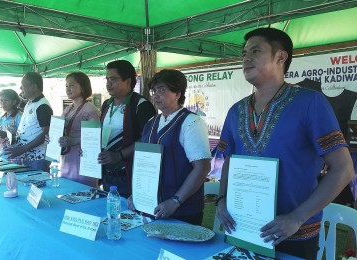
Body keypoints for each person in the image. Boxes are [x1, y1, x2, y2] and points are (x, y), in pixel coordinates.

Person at [215, 27, 355, 259]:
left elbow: (344, 169)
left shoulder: (310, 103)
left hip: (294, 233)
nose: (246, 58)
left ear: (281, 57)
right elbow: (230, 160)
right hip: (244, 226)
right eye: (244, 53)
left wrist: (297, 217)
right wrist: (221, 200)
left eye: (255, 51)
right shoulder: (236, 110)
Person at [127, 69, 211, 225]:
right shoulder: (151, 122)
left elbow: (202, 168)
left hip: (183, 210)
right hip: (152, 206)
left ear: (177, 94)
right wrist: (137, 194)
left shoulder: (191, 122)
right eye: (154, 91)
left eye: (161, 90)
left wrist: (175, 201)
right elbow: (143, 164)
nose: (155, 95)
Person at [98, 60, 156, 197]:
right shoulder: (107, 104)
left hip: (130, 175)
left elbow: (148, 139)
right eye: (107, 79)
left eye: (113, 79)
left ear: (128, 81)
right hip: (108, 174)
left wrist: (119, 155)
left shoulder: (141, 105)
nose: (108, 83)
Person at [3, 72, 53, 172]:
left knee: (38, 186)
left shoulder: (42, 106)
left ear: (34, 87)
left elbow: (46, 133)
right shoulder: (30, 102)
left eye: (23, 85)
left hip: (38, 158)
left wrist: (22, 149)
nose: (20, 88)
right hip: (27, 156)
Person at [58, 72, 100, 186]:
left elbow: (96, 136)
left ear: (82, 87)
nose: (68, 89)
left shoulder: (90, 109)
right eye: (66, 86)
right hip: (67, 159)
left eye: (71, 85)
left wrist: (73, 140)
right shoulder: (68, 109)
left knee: (81, 192)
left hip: (83, 158)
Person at [0, 89, 22, 162]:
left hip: (15, 156)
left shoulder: (20, 117)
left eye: (6, 100)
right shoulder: (2, 118)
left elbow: (23, 138)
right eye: (1, 100)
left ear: (14, 102)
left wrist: (7, 135)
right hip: (2, 155)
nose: (3, 103)